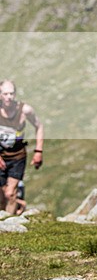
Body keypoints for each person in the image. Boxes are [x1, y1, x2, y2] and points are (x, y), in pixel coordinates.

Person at [0, 80, 44, 215]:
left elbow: (39, 126)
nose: (9, 97)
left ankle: (8, 222)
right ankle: (16, 208)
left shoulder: (25, 110)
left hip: (17, 156)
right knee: (1, 196)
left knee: (10, 193)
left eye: (11, 94)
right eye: (5, 94)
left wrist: (38, 151)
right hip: (1, 155)